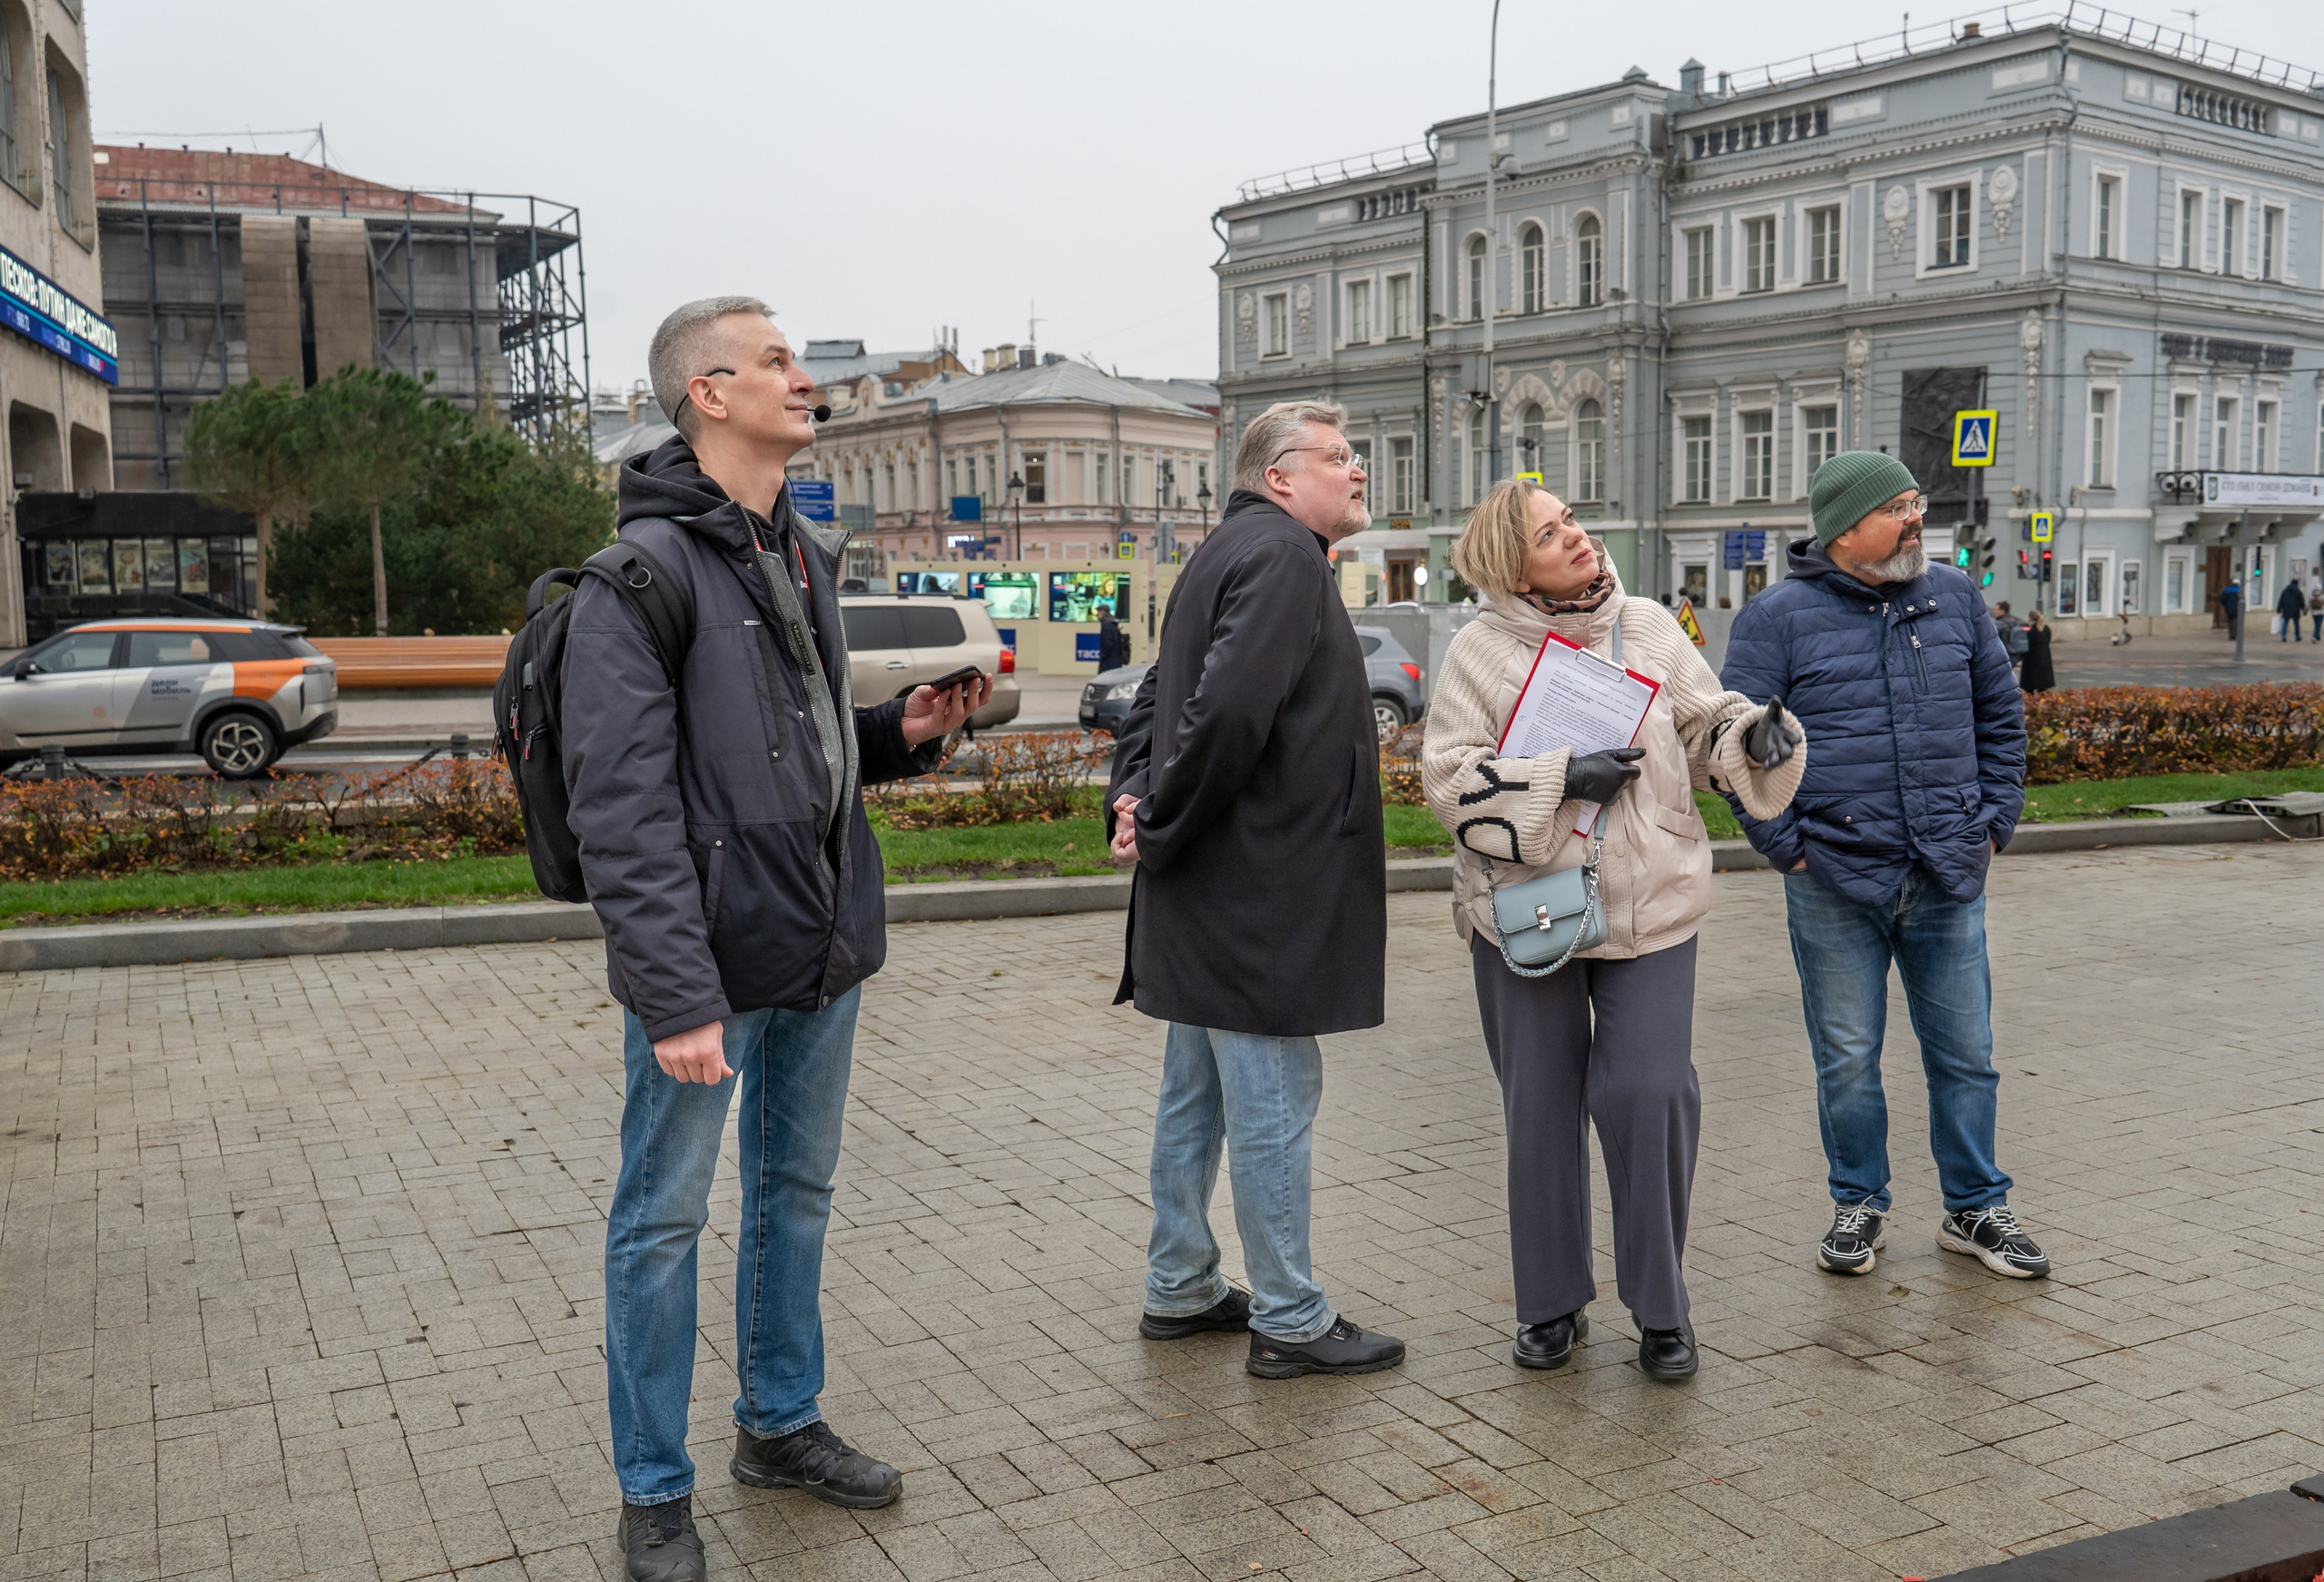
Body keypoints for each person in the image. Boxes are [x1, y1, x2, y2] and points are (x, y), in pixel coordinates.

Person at [563, 297, 990, 1582]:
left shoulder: (795, 548)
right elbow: (622, 811)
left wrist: (895, 734)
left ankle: (780, 1422)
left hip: (818, 941)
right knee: (661, 1221)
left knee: (794, 1195)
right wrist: (675, 995)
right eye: (778, 361)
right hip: (710, 966)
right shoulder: (639, 577)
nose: (805, 380)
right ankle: (653, 1491)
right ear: (708, 392)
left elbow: (789, 751)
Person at [1422, 480, 1806, 1381]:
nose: (1576, 536)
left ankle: (1661, 1305)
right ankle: (1551, 1302)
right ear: (1511, 567)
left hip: (1651, 898)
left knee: (1650, 1091)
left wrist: (1752, 739)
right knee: (1539, 1107)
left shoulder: (1646, 626)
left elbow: (1706, 723)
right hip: (1528, 905)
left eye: (1570, 520)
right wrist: (1561, 780)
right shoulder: (1479, 649)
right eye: (1548, 534)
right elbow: (1447, 779)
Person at [1105, 399, 1404, 1380]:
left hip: (1211, 889)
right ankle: (1290, 1317)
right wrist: (1160, 816)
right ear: (1279, 477)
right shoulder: (1282, 555)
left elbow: (1160, 694)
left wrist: (1136, 798)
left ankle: (1181, 1284)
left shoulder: (1226, 549)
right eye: (1338, 455)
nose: (1357, 470)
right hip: (1261, 890)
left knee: (1195, 1098)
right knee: (1273, 1096)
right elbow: (1227, 711)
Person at [1722, 452, 2049, 1284]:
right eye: (1897, 508)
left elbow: (1999, 717)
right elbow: (1741, 749)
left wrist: (1994, 825)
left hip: (1947, 868)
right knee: (1847, 1058)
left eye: (1916, 503)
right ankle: (1858, 1201)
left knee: (1967, 1054)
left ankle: (1975, 1206)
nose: (1916, 520)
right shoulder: (1777, 619)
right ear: (1843, 529)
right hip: (1833, 877)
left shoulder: (1955, 597)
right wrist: (1788, 846)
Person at [2018, 608, 2054, 693]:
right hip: (2045, 659)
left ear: (2031, 619)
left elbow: (2027, 645)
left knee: (2029, 687)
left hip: (2031, 661)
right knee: (2043, 689)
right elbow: (2048, 641)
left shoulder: (2031, 631)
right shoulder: (2046, 629)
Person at [1097, 603, 1131, 671]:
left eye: (1098, 612)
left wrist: (1102, 656)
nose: (1097, 614)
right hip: (1116, 659)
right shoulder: (1113, 622)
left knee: (1104, 676)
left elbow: (1107, 644)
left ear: (1102, 612)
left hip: (1109, 661)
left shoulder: (1106, 625)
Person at [2279, 576, 2308, 643]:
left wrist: (2279, 608)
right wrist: (2303, 609)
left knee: (2285, 623)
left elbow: (2281, 600)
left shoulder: (2285, 591)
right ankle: (2297, 636)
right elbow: (2301, 601)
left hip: (2286, 609)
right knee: (2296, 623)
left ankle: (2283, 636)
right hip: (2295, 610)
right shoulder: (2298, 591)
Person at [2220, 576, 2245, 642]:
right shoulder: (2239, 590)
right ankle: (2233, 635)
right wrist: (2243, 608)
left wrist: (2225, 605)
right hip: (2237, 607)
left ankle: (2231, 634)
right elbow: (2242, 599)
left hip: (2228, 608)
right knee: (2235, 621)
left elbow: (2223, 598)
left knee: (2230, 620)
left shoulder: (2227, 589)